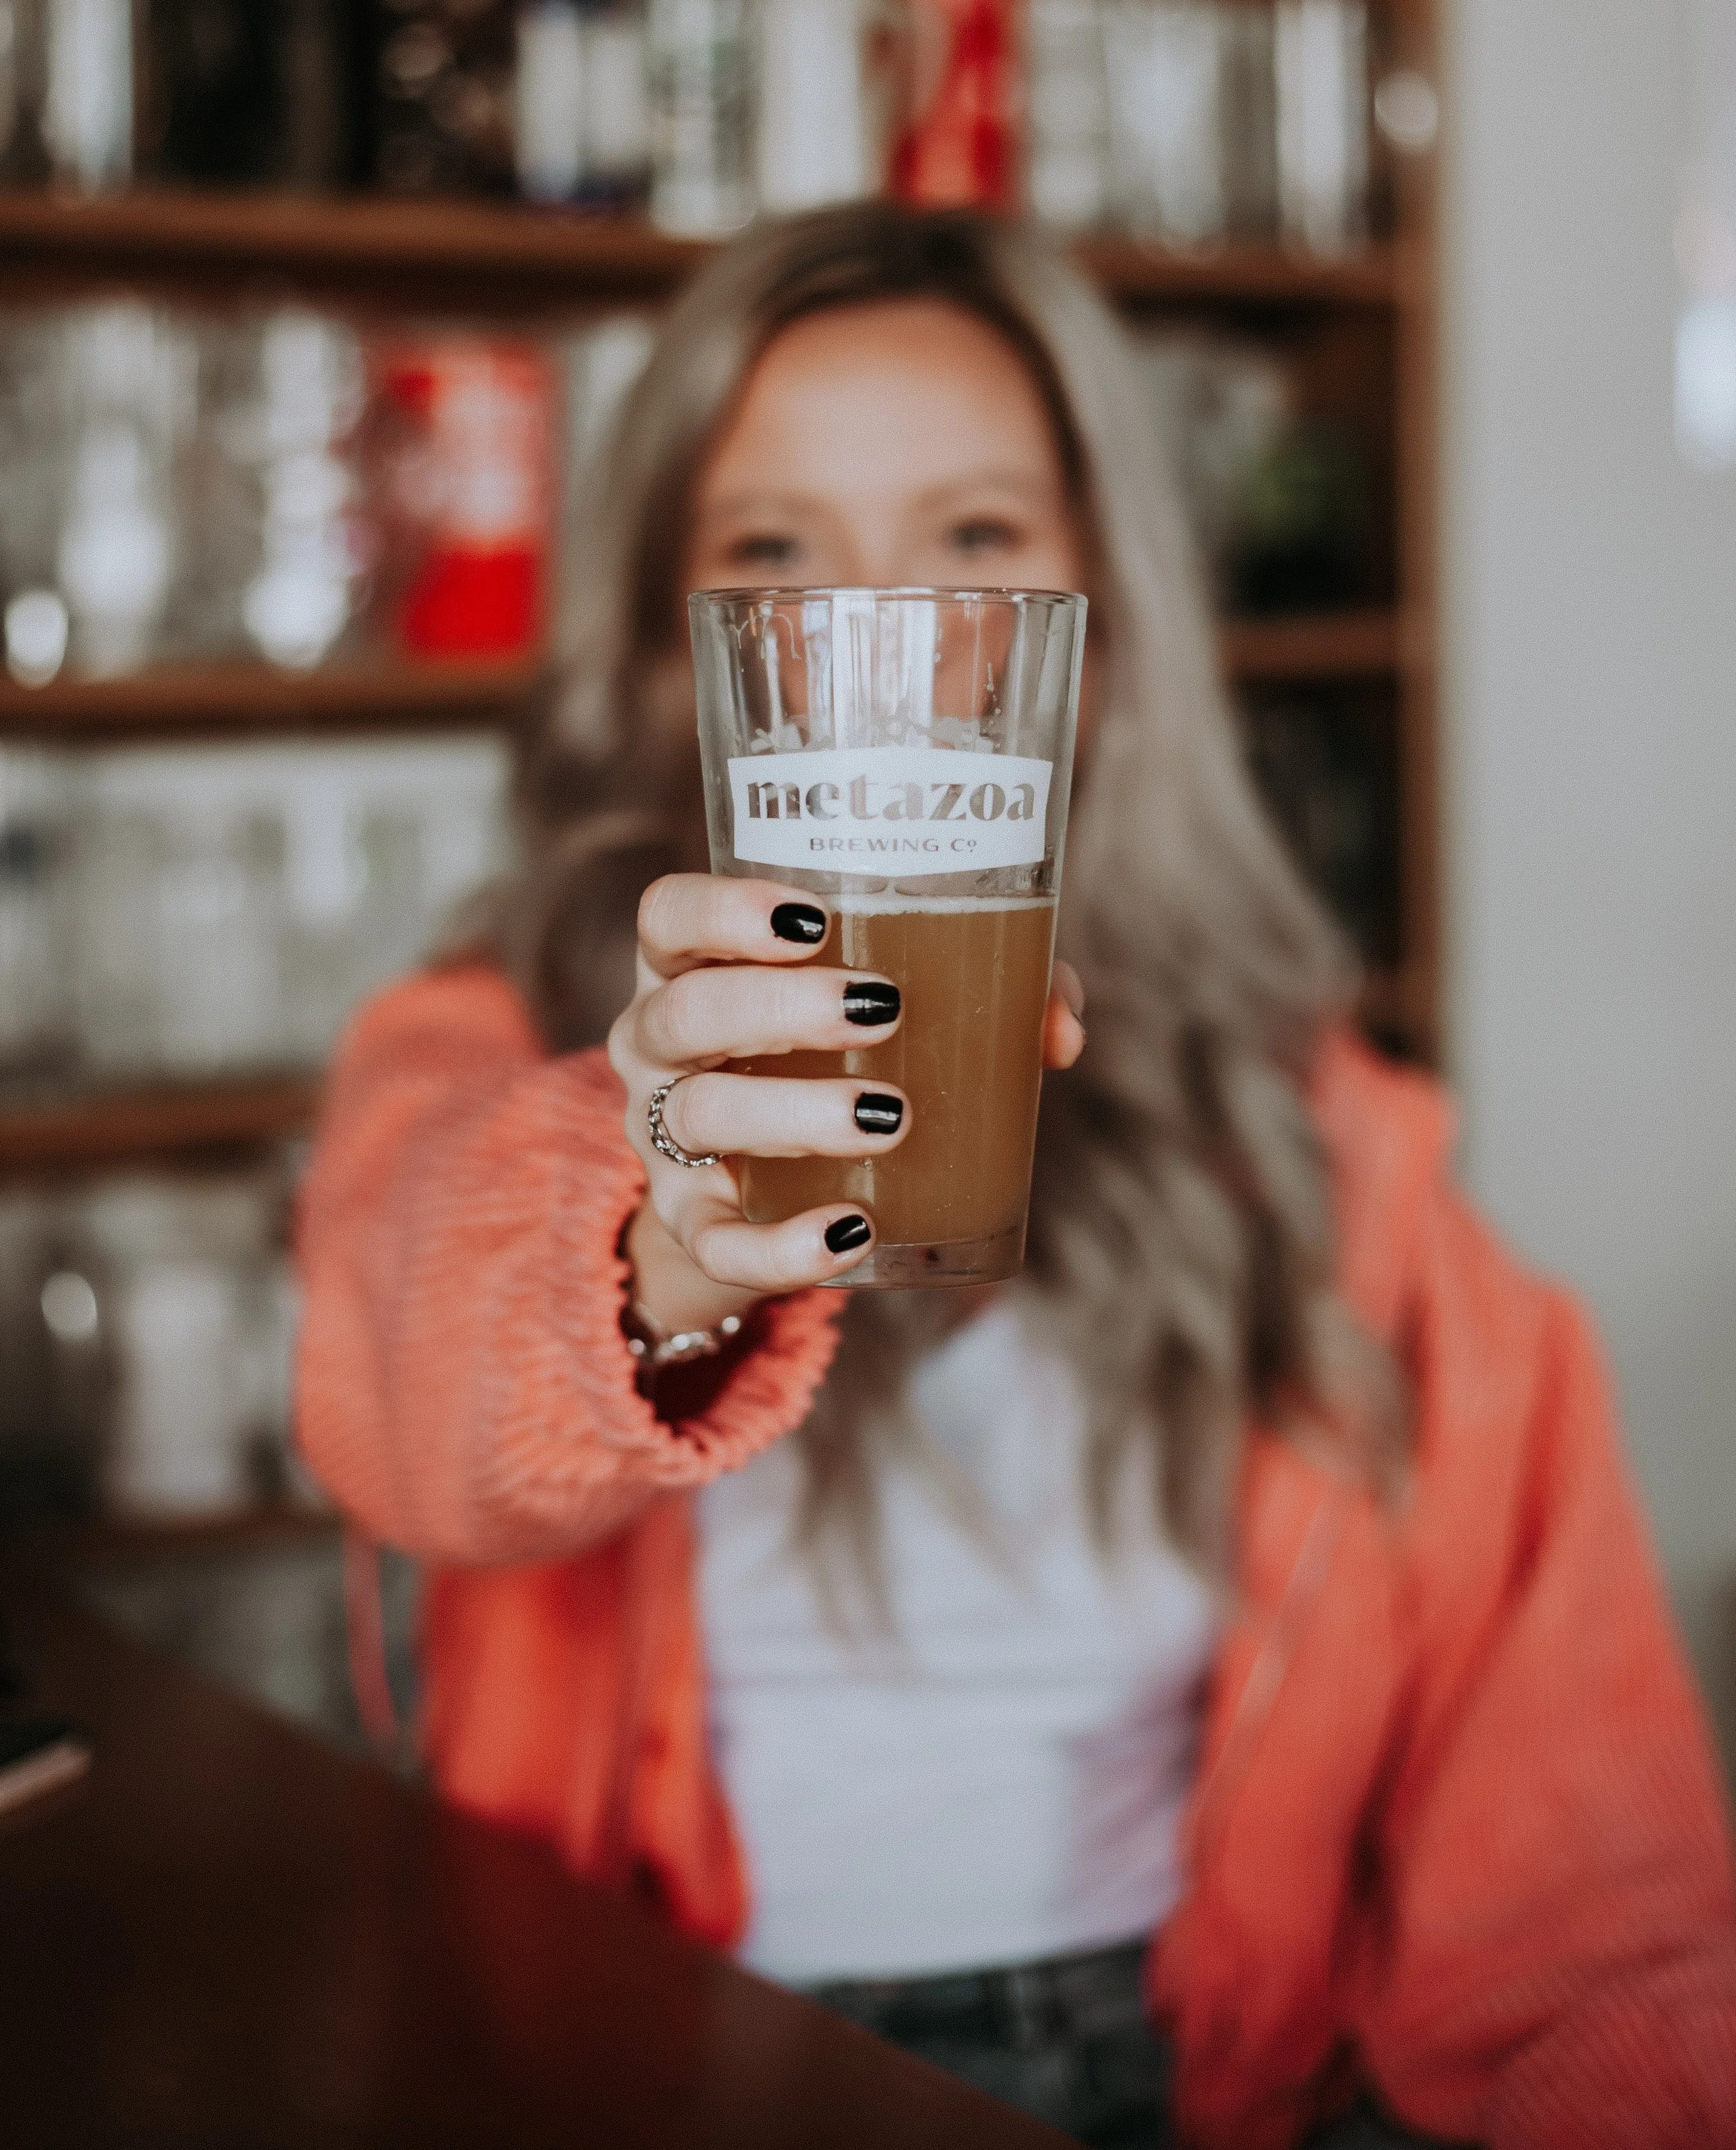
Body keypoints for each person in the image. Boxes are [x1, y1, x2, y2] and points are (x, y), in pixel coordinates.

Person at [297, 204, 1736, 2150]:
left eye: (972, 540)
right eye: (772, 553)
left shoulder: (1328, 1159)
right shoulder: (485, 1053)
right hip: (664, 2063)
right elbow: (402, 1382)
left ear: (1099, 618)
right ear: (665, 648)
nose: (880, 652)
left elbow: (1590, 1915)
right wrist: (657, 1238)